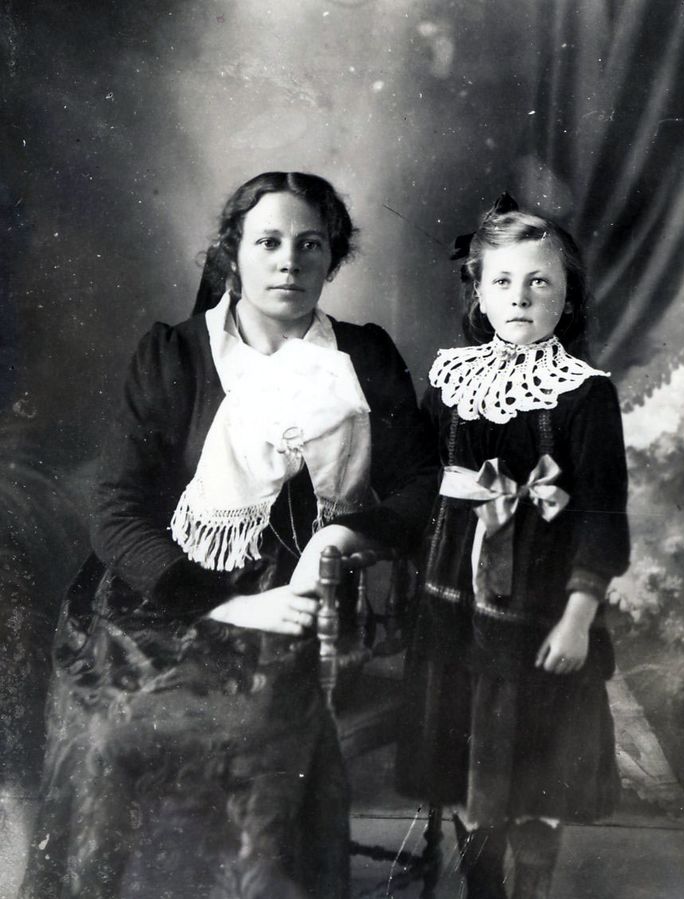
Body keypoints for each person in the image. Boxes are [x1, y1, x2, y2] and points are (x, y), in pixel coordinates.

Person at [20, 171, 437, 899]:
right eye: (268, 242)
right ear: (232, 253)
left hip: (299, 597)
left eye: (311, 245)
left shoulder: (362, 357)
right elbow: (116, 510)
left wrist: (337, 540)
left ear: (333, 256)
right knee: (110, 734)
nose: (289, 262)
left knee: (252, 727)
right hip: (156, 598)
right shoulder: (174, 354)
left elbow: (420, 484)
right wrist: (224, 602)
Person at [396, 194, 630, 899]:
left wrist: (579, 616)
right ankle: (482, 890)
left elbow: (601, 515)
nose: (520, 296)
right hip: (455, 605)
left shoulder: (585, 394)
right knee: (468, 768)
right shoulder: (450, 379)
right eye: (502, 280)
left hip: (539, 612)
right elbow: (417, 480)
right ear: (479, 292)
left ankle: (530, 886)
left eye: (539, 281)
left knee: (536, 773)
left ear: (567, 296)